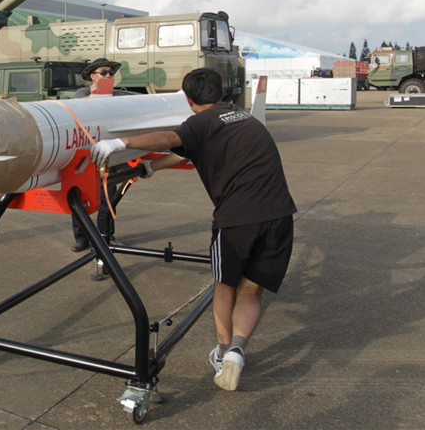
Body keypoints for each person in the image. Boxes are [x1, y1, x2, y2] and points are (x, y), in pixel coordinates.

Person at [90, 68, 295, 391]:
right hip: (280, 214)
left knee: (225, 285)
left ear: (187, 99)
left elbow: (173, 138)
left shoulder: (200, 122)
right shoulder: (241, 117)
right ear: (221, 92)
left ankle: (223, 350)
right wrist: (150, 168)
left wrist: (120, 143)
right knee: (252, 290)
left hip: (236, 220)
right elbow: (185, 149)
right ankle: (237, 351)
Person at [69, 58, 122, 252]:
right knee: (79, 196)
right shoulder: (83, 93)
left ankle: (106, 234)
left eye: (111, 73)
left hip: (107, 151)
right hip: (85, 153)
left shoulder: (116, 95)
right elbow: (78, 106)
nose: (108, 75)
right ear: (93, 76)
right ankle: (81, 237)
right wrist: (98, 93)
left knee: (108, 195)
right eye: (104, 72)